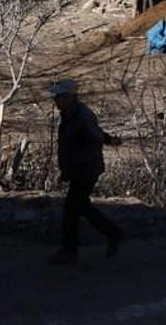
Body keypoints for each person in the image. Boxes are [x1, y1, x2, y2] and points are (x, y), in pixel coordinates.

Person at [48, 78, 123, 265]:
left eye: (59, 96)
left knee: (72, 208)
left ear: (71, 96)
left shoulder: (81, 115)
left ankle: (70, 250)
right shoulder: (70, 113)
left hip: (86, 168)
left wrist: (104, 142)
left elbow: (94, 136)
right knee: (80, 207)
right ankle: (111, 233)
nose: (55, 100)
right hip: (80, 168)